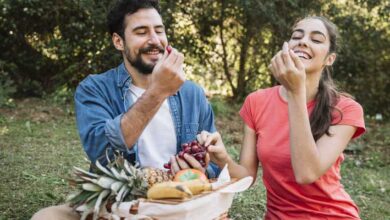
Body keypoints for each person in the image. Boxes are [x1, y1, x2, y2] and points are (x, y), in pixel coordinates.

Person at [31, 0, 219, 219]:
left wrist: (200, 169)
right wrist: (157, 92)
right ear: (118, 41)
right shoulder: (94, 89)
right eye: (141, 32)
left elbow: (214, 167)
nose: (155, 40)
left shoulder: (192, 93)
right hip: (119, 205)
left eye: (159, 30)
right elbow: (101, 153)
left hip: (179, 203)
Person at [200, 16, 365, 219]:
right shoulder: (256, 101)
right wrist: (223, 158)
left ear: (329, 59)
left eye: (316, 39)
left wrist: (296, 92)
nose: (303, 41)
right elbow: (247, 178)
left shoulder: (345, 109)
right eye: (297, 36)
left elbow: (306, 174)